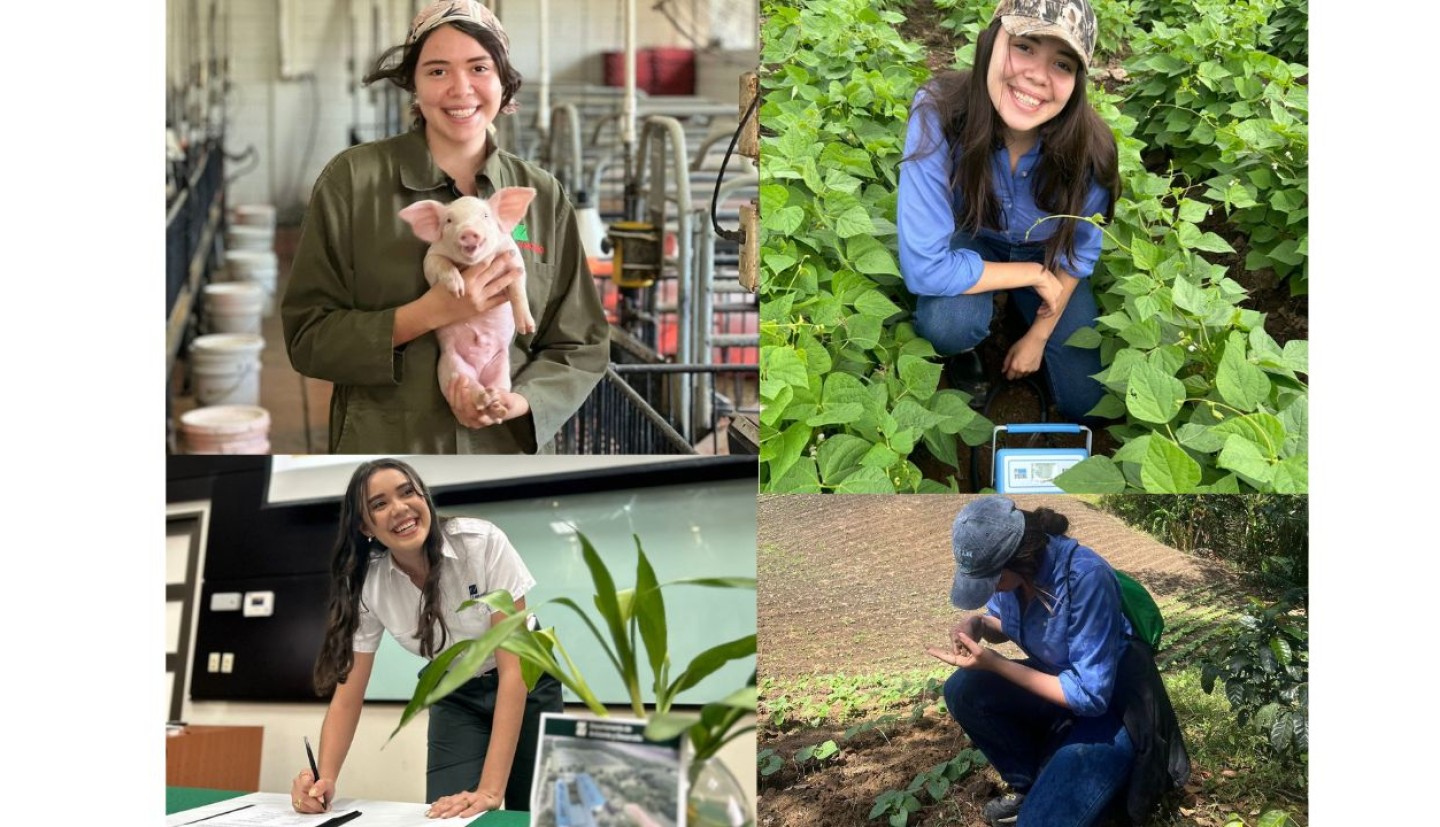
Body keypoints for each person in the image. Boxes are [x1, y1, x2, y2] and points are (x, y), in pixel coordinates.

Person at [282, 0, 609, 454]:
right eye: (437, 71)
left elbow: (580, 343)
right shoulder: (353, 180)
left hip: (502, 447)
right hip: (390, 443)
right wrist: (429, 313)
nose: (460, 88)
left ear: (503, 83)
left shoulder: (541, 194)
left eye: (479, 68)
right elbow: (307, 337)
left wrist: (520, 401)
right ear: (413, 85)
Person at [291, 458, 562, 819]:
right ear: (365, 526)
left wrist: (490, 790)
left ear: (425, 498)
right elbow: (348, 696)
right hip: (455, 693)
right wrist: (324, 779)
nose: (400, 509)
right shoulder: (370, 586)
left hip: (528, 683)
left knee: (535, 814)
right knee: (446, 813)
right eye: (380, 504)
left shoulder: (481, 543)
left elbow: (512, 672)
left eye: (407, 493)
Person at [897, 0, 1119, 422]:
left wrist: (1039, 334)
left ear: (1078, 82)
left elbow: (1080, 252)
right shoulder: (939, 111)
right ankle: (968, 352)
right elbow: (925, 266)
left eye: (1063, 65)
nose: (1037, 76)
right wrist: (1032, 276)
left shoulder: (1091, 149)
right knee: (948, 322)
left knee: (1085, 402)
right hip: (974, 240)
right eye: (1025, 46)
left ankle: (1022, 322)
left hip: (1046, 252)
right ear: (991, 42)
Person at [926, 496, 1187, 827]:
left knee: (1039, 823)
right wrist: (978, 624)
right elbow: (1007, 623)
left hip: (1113, 704)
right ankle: (1029, 784)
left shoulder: (1086, 578)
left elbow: (1090, 696)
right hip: (1058, 682)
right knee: (964, 689)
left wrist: (995, 664)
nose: (991, 590)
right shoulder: (1012, 581)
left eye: (991, 581)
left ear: (1016, 560)